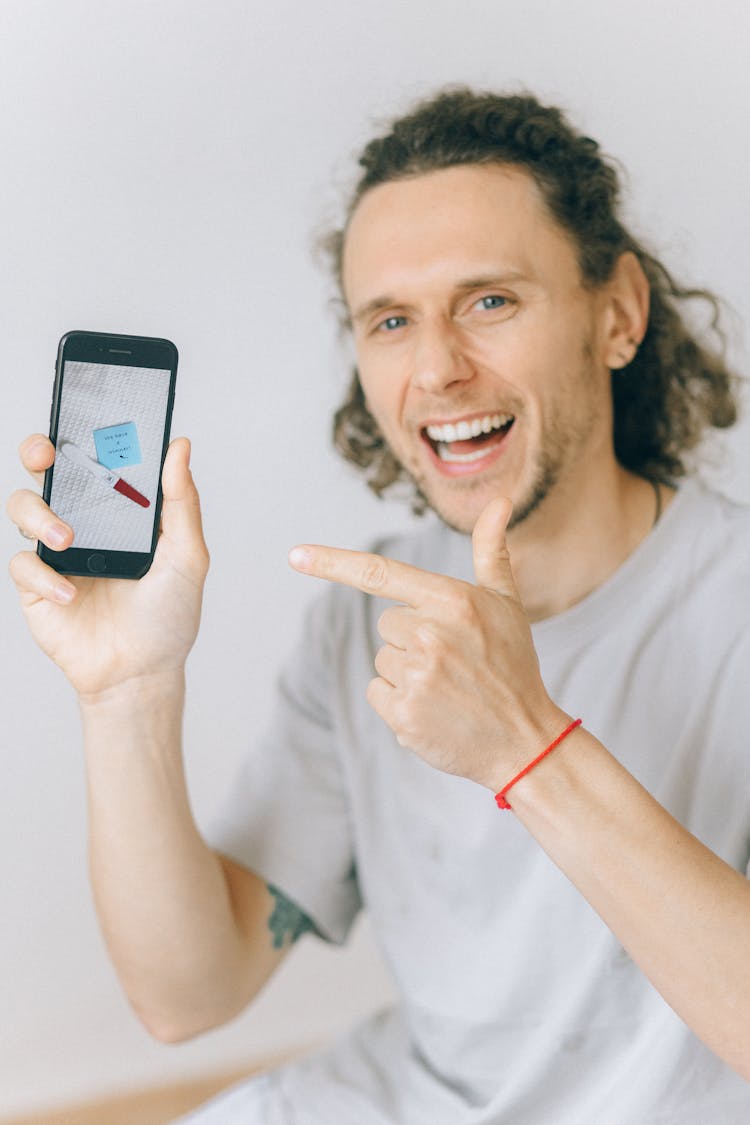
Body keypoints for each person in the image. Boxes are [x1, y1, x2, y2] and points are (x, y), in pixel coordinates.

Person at [8, 87, 750, 1124]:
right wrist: (126, 691)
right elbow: (188, 996)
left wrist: (522, 744)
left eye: (490, 301)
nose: (438, 368)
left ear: (617, 313)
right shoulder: (362, 618)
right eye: (391, 321)